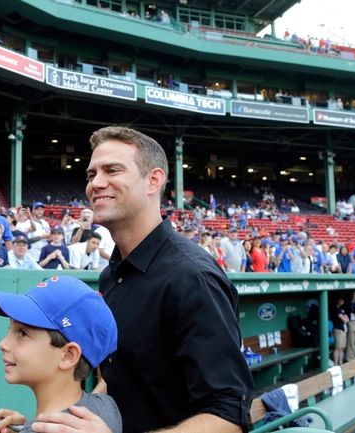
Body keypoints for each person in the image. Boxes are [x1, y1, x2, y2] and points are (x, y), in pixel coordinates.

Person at [33, 126, 253, 433]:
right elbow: (119, 384)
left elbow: (229, 417)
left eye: (112, 170)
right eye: (90, 174)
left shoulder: (193, 277)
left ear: (154, 180)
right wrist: (48, 424)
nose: (96, 183)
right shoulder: (112, 274)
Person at [0, 275, 121, 433]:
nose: (2, 344)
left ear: (68, 355)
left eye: (22, 333)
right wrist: (25, 427)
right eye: (10, 330)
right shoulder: (105, 406)